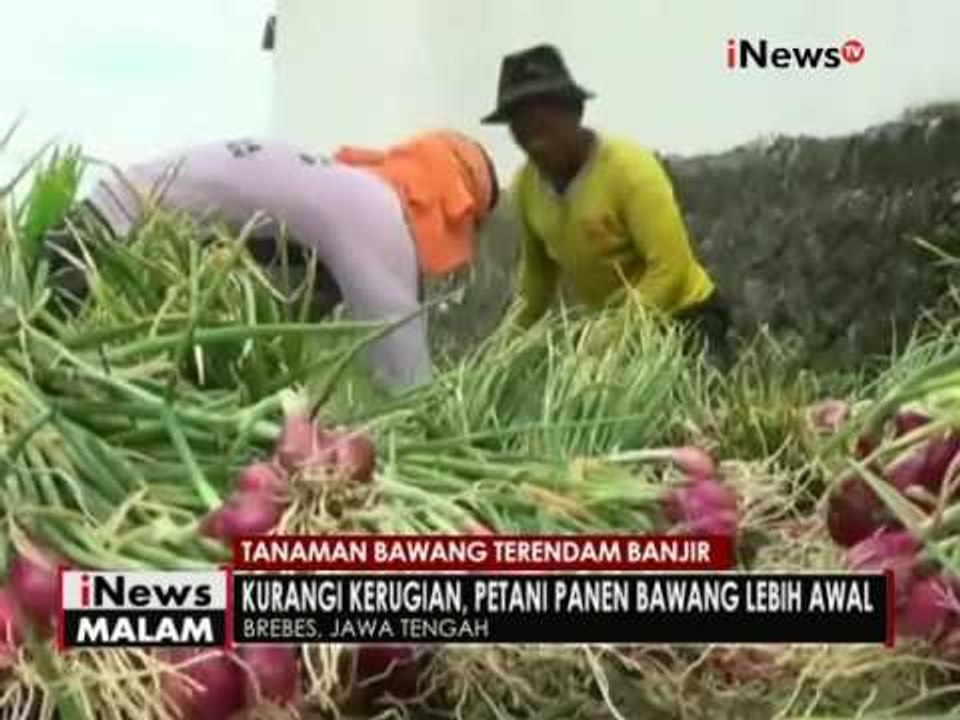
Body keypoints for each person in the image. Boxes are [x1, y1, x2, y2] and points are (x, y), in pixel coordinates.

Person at [47, 131, 499, 393]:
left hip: (97, 237)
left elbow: (286, 307)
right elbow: (403, 374)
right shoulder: (377, 212)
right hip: (99, 264)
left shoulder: (339, 187)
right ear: (452, 203)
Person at [481, 44, 733, 363]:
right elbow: (537, 277)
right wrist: (503, 350)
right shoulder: (526, 188)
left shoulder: (628, 169)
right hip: (622, 335)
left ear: (575, 113)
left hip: (685, 319)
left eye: (545, 124)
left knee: (700, 412)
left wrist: (609, 337)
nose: (535, 141)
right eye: (521, 128)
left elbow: (672, 269)